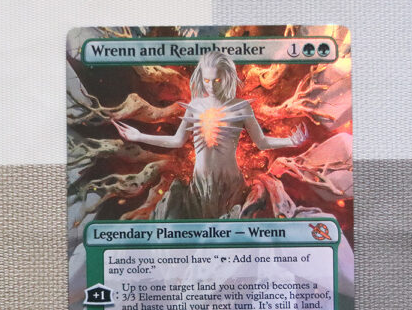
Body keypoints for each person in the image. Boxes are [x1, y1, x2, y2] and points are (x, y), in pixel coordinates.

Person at [113, 51, 306, 218]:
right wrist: (139, 137)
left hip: (231, 185)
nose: (211, 85)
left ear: (226, 78)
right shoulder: (195, 106)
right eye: (207, 80)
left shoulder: (241, 107)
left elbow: (261, 142)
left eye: (217, 80)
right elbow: (177, 140)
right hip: (199, 186)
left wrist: (290, 141)